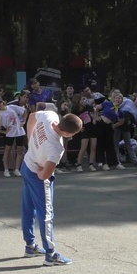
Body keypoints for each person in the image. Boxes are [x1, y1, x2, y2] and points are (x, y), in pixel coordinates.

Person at [21, 110, 82, 265]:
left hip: (26, 165)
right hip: (36, 174)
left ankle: (30, 245)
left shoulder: (50, 115)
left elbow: (32, 116)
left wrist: (30, 140)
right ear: (68, 134)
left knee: (28, 208)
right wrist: (40, 168)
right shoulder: (56, 148)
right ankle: (50, 254)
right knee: (46, 214)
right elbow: (44, 176)